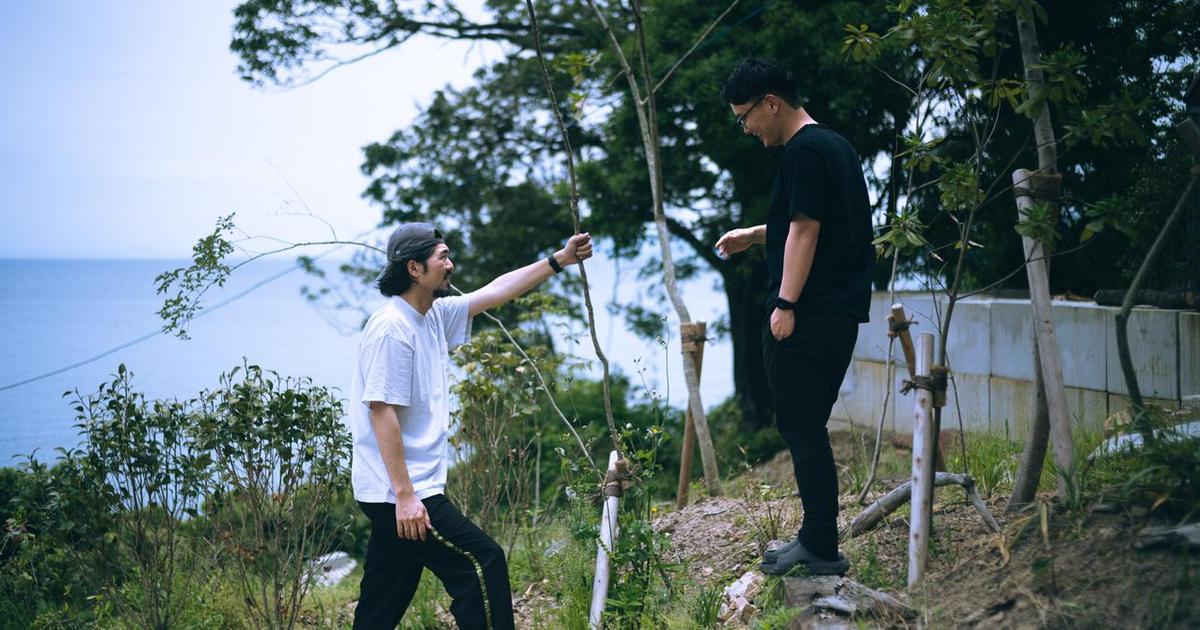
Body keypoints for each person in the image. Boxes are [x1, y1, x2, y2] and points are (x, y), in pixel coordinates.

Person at [349, 222, 592, 629]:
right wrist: (406, 497)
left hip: (400, 489)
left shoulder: (432, 315)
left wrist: (559, 260)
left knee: (384, 598)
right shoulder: (392, 327)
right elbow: (381, 411)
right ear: (414, 268)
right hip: (402, 492)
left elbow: (496, 291)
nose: (450, 264)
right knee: (483, 562)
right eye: (442, 257)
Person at [715, 58, 873, 577]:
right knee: (807, 426)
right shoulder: (834, 145)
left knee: (801, 428)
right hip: (837, 311)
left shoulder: (803, 152)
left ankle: (821, 547)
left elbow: (806, 231)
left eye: (745, 117)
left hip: (810, 313)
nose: (746, 128)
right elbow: (815, 222)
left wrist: (785, 305)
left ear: (771, 103)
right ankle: (814, 537)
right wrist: (755, 235)